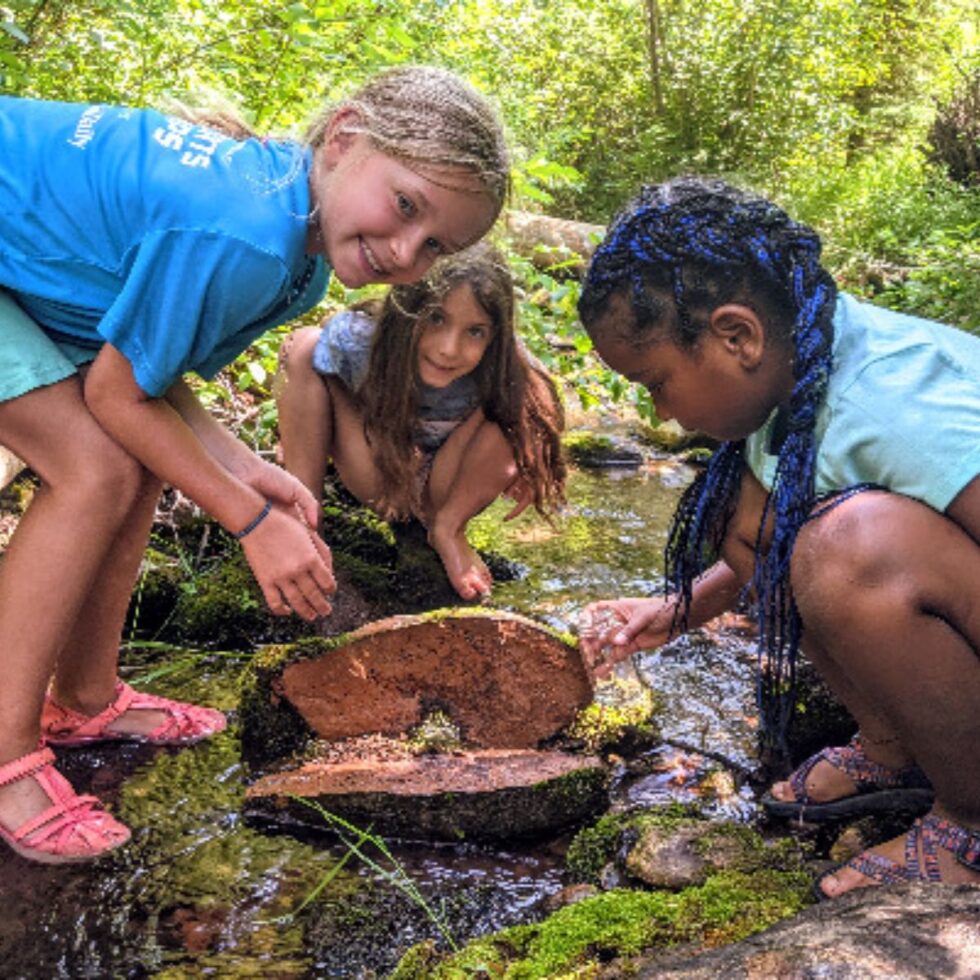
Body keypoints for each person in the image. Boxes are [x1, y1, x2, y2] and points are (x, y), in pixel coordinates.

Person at [0, 65, 509, 864]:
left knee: (132, 462)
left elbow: (145, 374)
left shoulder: (296, 249)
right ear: (343, 139)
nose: (407, 250)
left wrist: (249, 471)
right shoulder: (243, 233)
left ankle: (86, 698)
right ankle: (4, 760)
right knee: (94, 468)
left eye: (436, 244)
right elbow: (115, 398)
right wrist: (250, 520)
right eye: (406, 205)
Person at [576, 177, 979, 898]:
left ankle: (971, 824)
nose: (661, 413)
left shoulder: (893, 401)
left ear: (738, 336)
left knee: (851, 549)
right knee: (756, 523)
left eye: (655, 382)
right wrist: (670, 613)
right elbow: (763, 547)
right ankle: (894, 749)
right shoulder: (795, 372)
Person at [276, 241, 566, 599]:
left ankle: (447, 531)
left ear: (494, 336)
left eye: (474, 331)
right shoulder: (362, 341)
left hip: (446, 488)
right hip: (380, 472)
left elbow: (546, 401)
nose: (449, 348)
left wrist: (534, 459)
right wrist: (300, 438)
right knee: (304, 347)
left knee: (527, 400)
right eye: (436, 319)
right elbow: (308, 352)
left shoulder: (502, 360)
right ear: (405, 311)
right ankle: (302, 520)